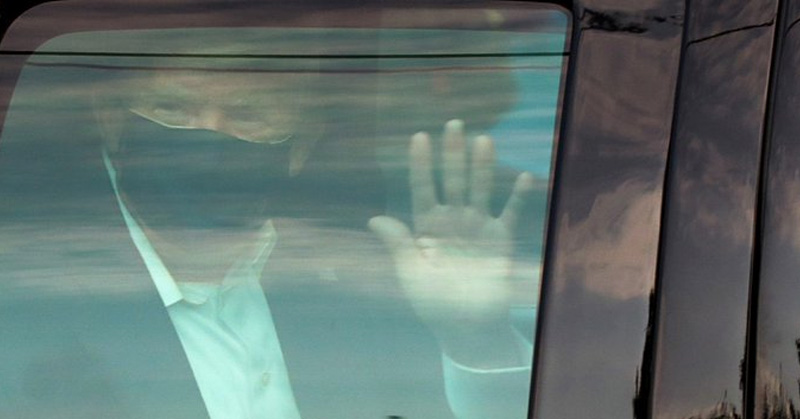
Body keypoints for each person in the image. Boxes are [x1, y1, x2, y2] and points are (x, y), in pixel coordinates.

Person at [0, 29, 538, 419]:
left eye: (248, 116)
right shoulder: (25, 302)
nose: (208, 135)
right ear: (111, 120)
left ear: (300, 146)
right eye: (172, 109)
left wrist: (476, 339)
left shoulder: (361, 292)